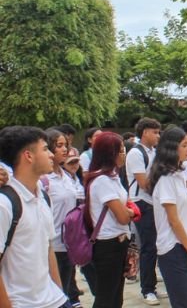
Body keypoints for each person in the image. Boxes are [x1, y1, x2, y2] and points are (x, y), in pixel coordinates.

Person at [0, 126, 69, 308]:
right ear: (28, 156)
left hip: (53, 300)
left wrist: (60, 294)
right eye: (45, 149)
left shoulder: (43, 196)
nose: (52, 155)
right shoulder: (5, 203)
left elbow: (48, 248)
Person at [149, 128, 187, 308]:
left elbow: (186, 218)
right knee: (184, 304)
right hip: (173, 249)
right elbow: (174, 221)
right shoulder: (165, 180)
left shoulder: (177, 176)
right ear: (172, 149)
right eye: (184, 145)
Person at [85, 132, 136, 308]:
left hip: (119, 242)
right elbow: (122, 217)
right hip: (108, 245)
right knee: (106, 296)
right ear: (109, 154)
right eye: (120, 151)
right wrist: (129, 211)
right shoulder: (102, 180)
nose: (124, 155)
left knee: (116, 295)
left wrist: (126, 210)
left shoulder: (113, 177)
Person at [43, 128, 82, 307]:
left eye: (66, 145)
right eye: (59, 146)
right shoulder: (44, 179)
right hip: (52, 245)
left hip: (69, 243)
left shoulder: (66, 176)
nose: (64, 149)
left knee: (65, 289)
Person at [126, 117, 163, 305]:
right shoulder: (135, 153)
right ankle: (147, 289)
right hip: (141, 202)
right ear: (145, 132)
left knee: (156, 245)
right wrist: (163, 189)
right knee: (148, 247)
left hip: (154, 202)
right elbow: (143, 182)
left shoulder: (154, 152)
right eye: (155, 132)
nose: (158, 135)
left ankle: (153, 284)